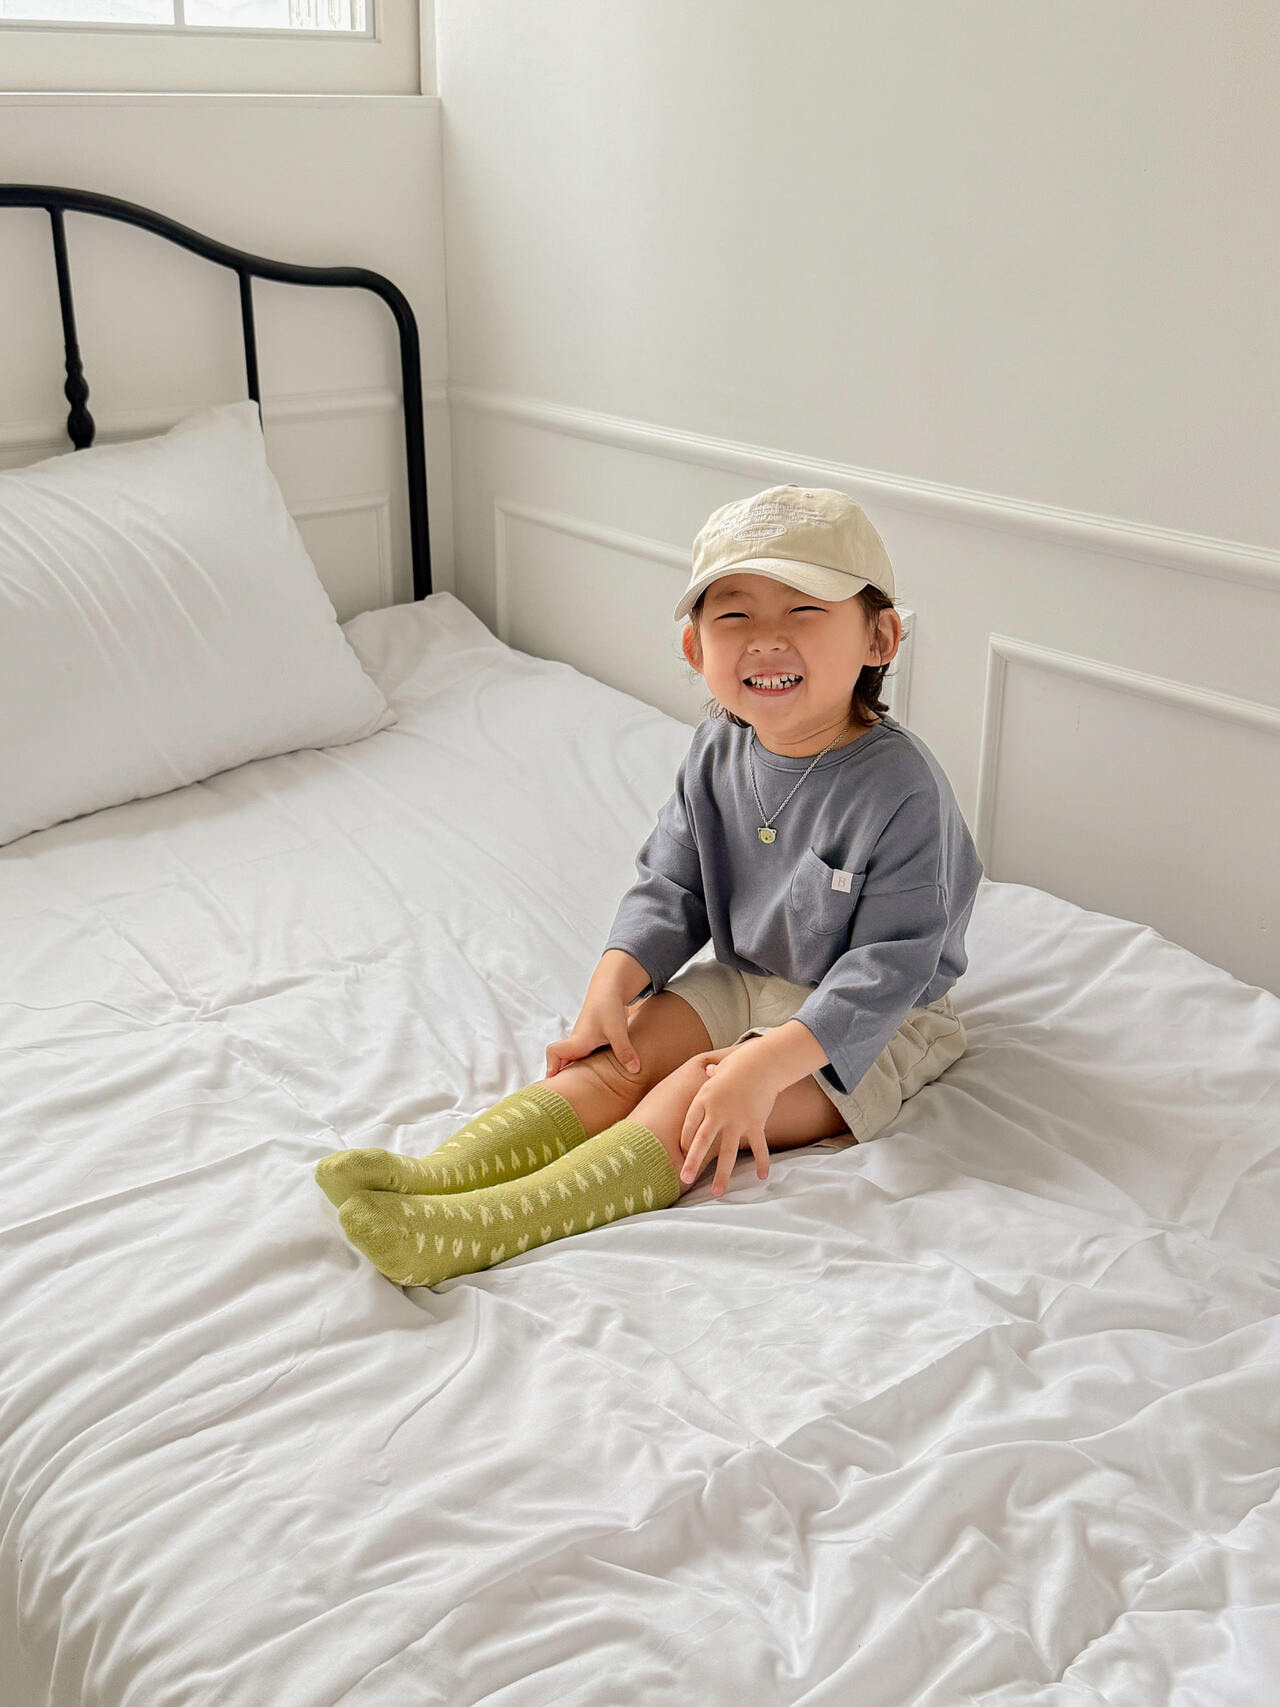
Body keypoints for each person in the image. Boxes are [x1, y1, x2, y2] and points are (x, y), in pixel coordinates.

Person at [315, 484, 983, 1288]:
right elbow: (672, 882)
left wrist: (763, 1065)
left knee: (693, 1097)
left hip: (874, 1026)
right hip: (746, 975)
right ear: (696, 649)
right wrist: (614, 984)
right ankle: (435, 1179)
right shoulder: (716, 751)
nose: (766, 639)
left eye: (804, 610)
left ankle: (480, 1229)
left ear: (880, 637)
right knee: (617, 1060)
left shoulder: (902, 788)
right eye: (734, 615)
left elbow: (888, 968)